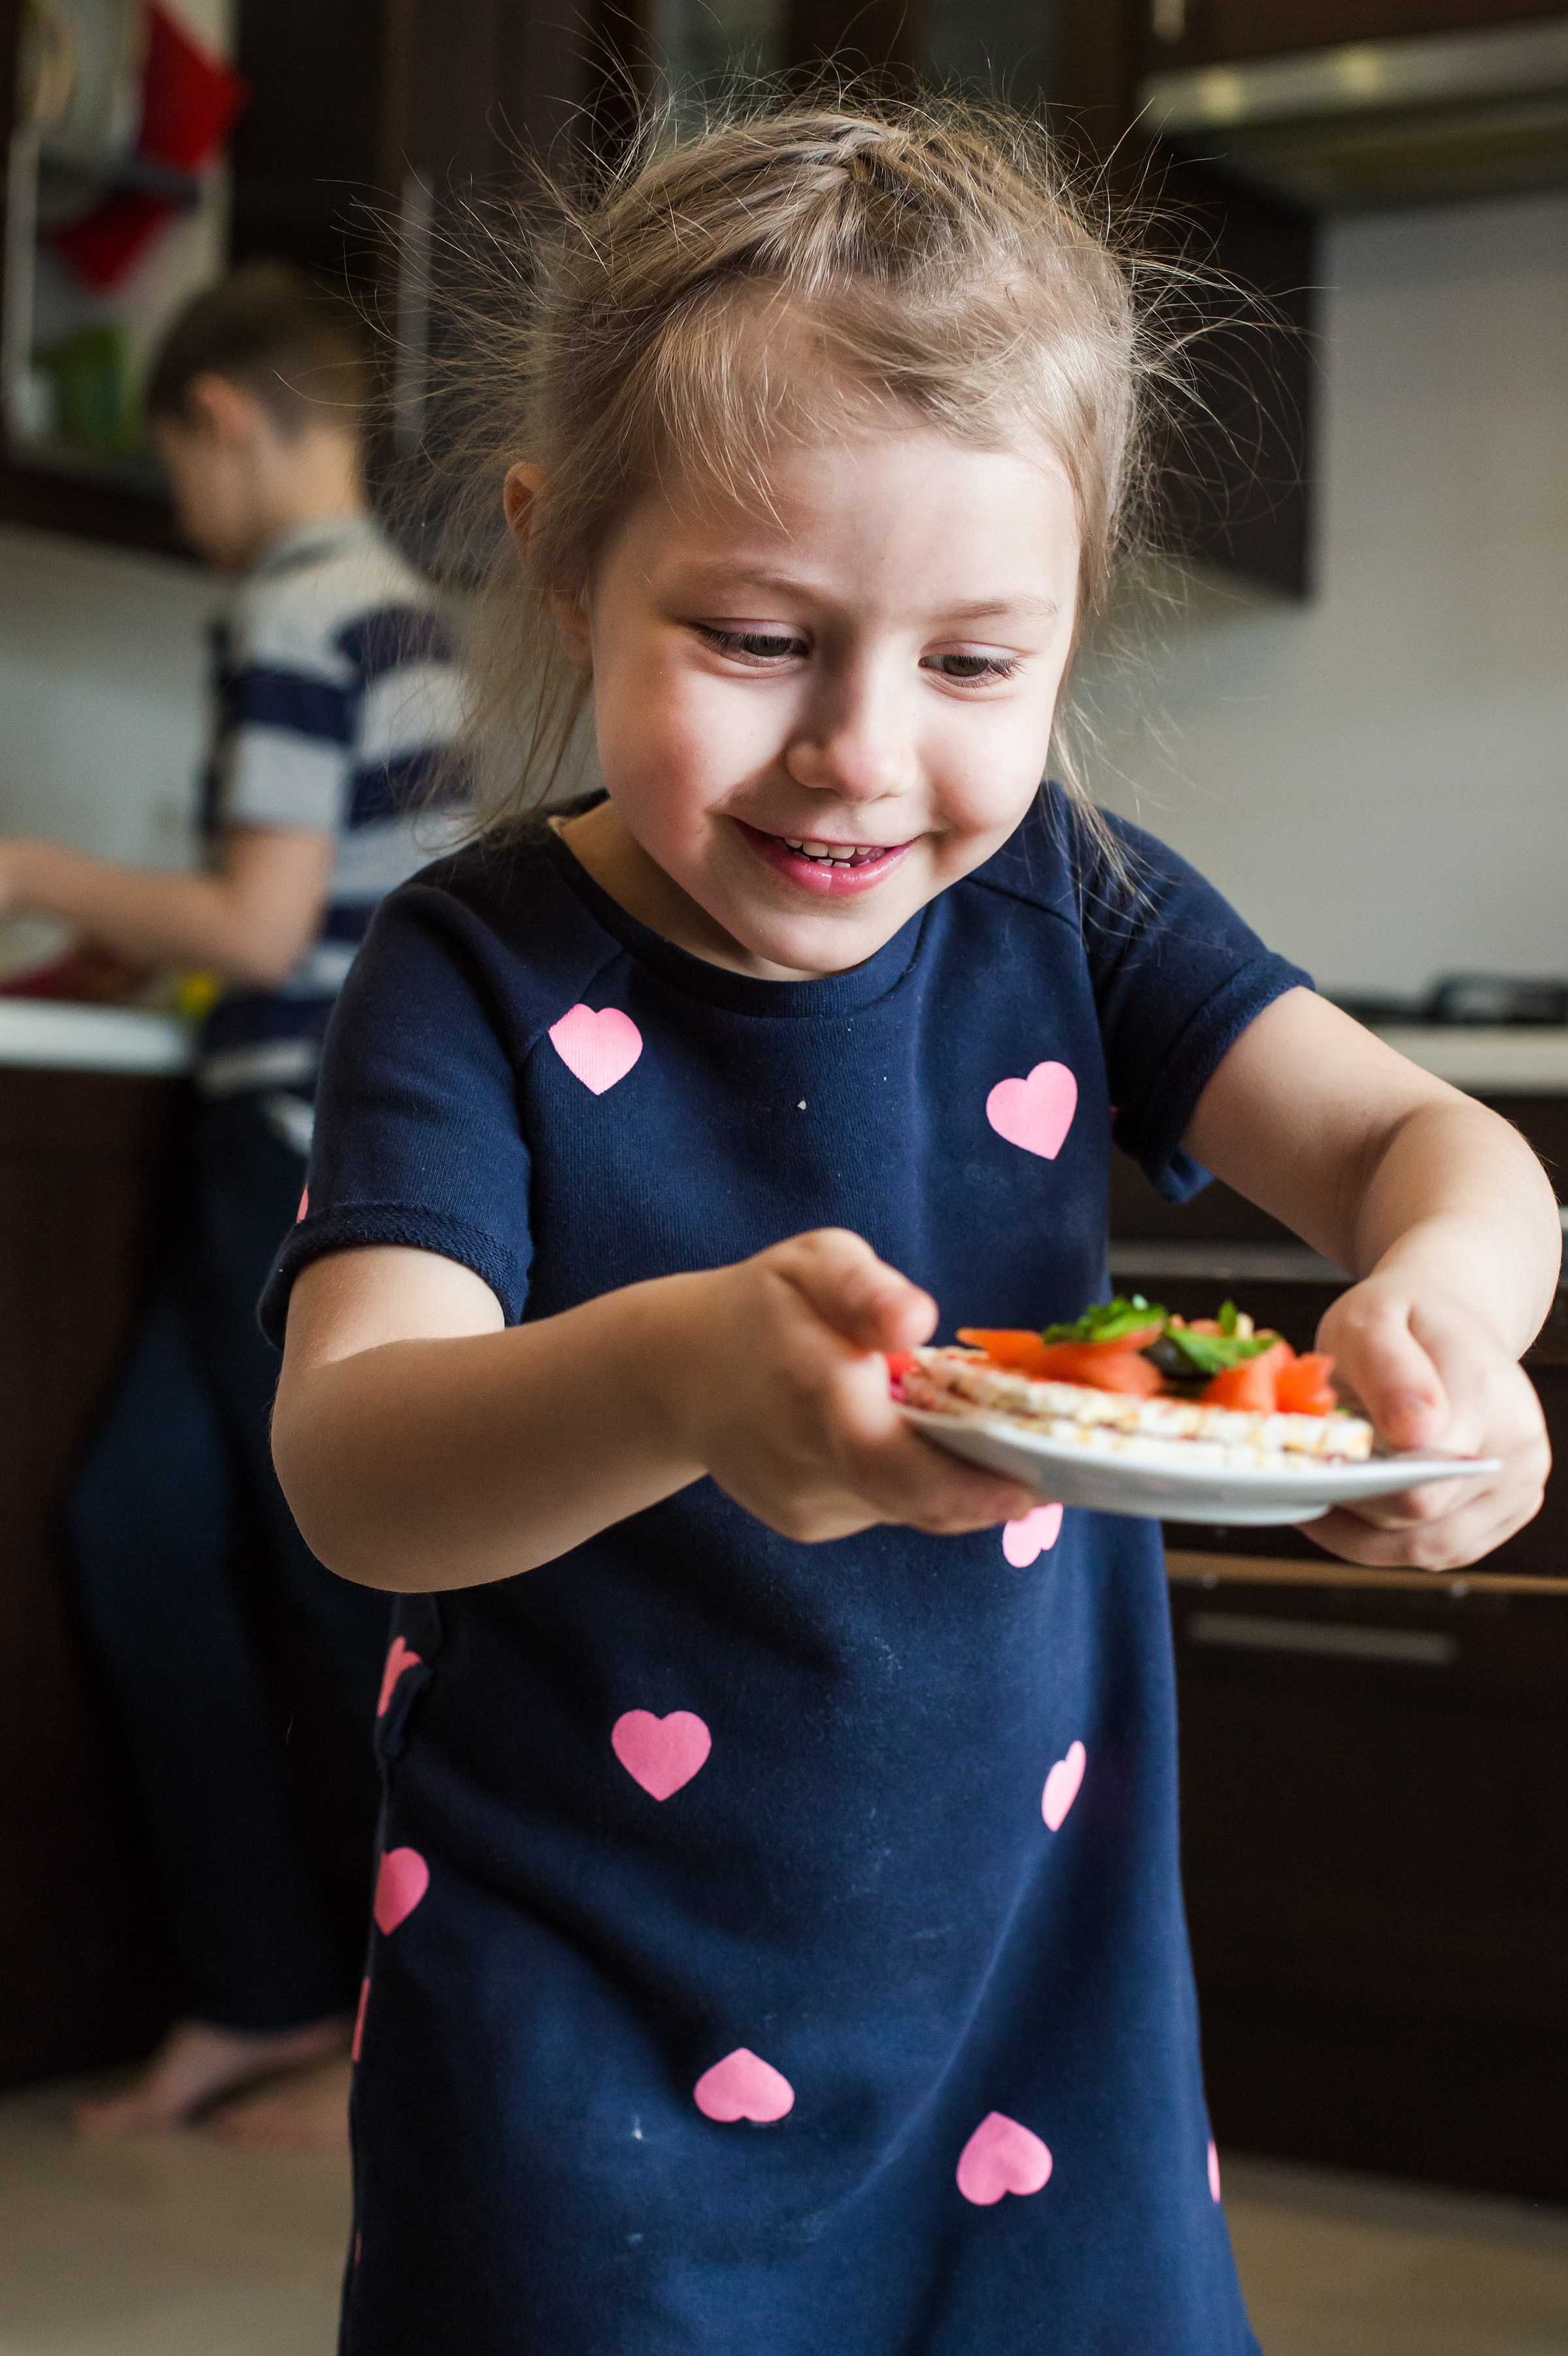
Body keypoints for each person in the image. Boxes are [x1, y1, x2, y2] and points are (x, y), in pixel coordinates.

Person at [262, 104, 1555, 2351]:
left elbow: (1441, 1153)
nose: (862, 751)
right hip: (582, 2047)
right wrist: (675, 1375)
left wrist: (1446, 1329)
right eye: (758, 635)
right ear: (566, 563)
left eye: (974, 665)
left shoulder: (1075, 900)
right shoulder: (471, 970)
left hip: (1031, 2028)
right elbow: (354, 1458)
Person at [0, 264, 466, 2146]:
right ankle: (283, 1990)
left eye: (179, 470)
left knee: (315, 1572)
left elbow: (261, 926)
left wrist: (26, 860)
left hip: (277, 1148)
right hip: (344, 1133)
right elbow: (331, 930)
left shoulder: (290, 608)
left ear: (217, 420)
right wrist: (115, 959)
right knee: (161, 1537)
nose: (189, 513)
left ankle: (392, 2018)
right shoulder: (414, 618)